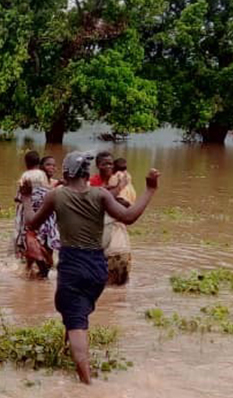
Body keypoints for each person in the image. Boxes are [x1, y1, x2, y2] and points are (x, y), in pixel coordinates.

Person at [21, 151, 160, 384]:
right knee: (75, 309)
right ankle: (67, 352)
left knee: (76, 321)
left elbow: (31, 222)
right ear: (87, 172)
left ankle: (86, 386)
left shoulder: (56, 196)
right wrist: (150, 189)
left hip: (72, 263)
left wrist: (26, 198)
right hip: (97, 267)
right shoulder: (101, 194)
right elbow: (128, 217)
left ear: (66, 172)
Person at [15, 168, 59, 279]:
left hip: (31, 227)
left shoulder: (25, 194)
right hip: (47, 228)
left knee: (31, 254)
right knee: (46, 251)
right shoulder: (49, 193)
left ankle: (30, 272)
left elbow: (21, 212)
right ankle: (45, 274)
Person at [103, 157, 137, 285]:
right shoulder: (129, 180)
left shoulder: (115, 178)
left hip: (115, 224)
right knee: (123, 284)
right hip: (122, 228)